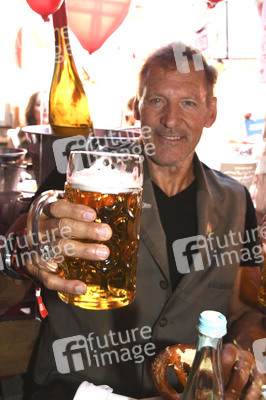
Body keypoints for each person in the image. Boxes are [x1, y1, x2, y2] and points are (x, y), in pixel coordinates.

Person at [0, 42, 265, 400]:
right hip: (71, 392)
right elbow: (6, 290)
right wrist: (20, 259)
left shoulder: (236, 200)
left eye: (188, 102)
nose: (171, 119)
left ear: (211, 111)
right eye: (156, 100)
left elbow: (245, 310)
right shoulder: (78, 177)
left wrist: (243, 355)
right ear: (137, 106)